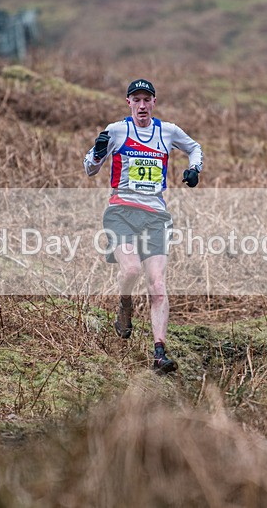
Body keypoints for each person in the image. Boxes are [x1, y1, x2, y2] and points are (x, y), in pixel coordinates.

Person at [83, 79, 204, 374]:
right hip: (121, 212)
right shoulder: (116, 130)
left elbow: (194, 147)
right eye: (135, 99)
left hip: (155, 216)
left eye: (146, 99)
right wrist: (98, 153)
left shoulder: (168, 131)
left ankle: (159, 352)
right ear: (128, 103)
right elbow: (89, 169)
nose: (141, 105)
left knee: (158, 284)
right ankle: (124, 304)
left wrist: (194, 168)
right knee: (131, 271)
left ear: (153, 102)